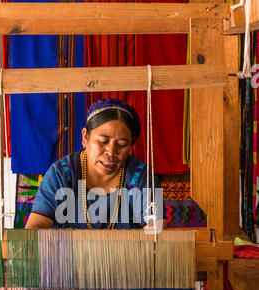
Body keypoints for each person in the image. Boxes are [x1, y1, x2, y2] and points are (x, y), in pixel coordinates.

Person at [26, 98, 166, 230]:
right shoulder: (61, 173)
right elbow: (34, 229)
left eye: (122, 144)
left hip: (132, 256)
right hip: (67, 255)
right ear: (85, 137)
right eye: (103, 142)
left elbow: (156, 233)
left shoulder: (142, 176)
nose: (111, 151)